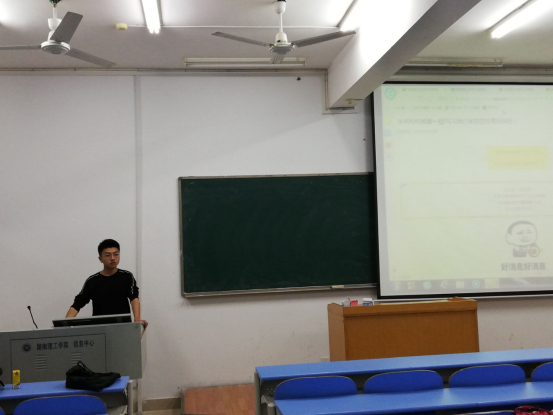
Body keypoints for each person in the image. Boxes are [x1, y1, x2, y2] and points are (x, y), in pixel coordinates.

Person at [65, 239, 148, 331]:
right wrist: (64, 325)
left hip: (123, 327)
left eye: (116, 254)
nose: (112, 258)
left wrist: (137, 319)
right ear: (100, 259)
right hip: (99, 329)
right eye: (108, 255)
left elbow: (134, 298)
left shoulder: (127, 276)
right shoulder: (92, 281)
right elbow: (77, 304)